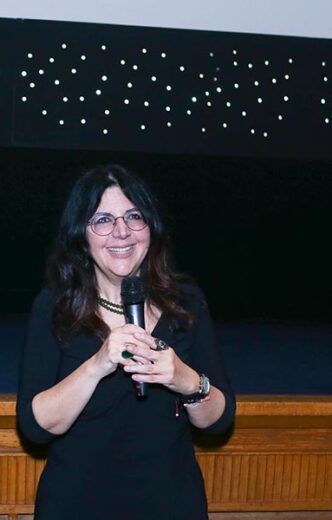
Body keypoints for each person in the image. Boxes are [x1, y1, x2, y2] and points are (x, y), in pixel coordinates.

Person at [16, 164, 235, 519]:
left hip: (170, 504)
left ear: (151, 228)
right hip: (77, 505)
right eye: (103, 220)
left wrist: (185, 379)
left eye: (134, 217)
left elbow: (218, 421)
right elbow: (36, 428)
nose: (121, 232)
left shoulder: (186, 303)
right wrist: (97, 364)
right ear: (81, 235)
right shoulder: (55, 306)